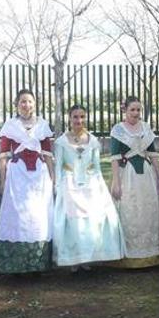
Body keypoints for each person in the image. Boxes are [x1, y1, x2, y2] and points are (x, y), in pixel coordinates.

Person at [0, 89, 54, 274]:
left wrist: (52, 180)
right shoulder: (10, 126)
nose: (26, 105)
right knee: (18, 217)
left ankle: (37, 263)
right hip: (17, 175)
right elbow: (4, 157)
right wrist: (3, 182)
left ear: (34, 104)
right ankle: (16, 265)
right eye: (23, 101)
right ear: (16, 104)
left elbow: (47, 155)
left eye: (29, 101)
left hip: (38, 176)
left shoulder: (42, 125)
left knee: (38, 216)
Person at [52, 105, 125, 269]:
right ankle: (74, 259)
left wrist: (100, 186)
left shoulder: (92, 140)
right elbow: (59, 167)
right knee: (74, 221)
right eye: (75, 117)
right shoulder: (61, 142)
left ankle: (88, 257)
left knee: (91, 220)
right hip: (70, 183)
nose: (79, 120)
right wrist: (58, 187)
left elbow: (97, 166)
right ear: (69, 118)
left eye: (82, 117)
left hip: (90, 182)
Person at [108, 96, 159, 268]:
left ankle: (150, 251)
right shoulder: (118, 130)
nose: (135, 113)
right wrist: (116, 182)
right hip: (127, 175)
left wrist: (158, 175)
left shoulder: (146, 128)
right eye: (132, 109)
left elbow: (153, 154)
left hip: (146, 176)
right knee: (129, 209)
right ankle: (129, 253)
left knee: (148, 208)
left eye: (138, 110)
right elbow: (114, 158)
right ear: (124, 110)